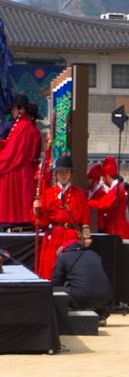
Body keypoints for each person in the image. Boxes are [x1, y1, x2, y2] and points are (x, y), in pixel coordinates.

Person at [33, 155, 88, 279]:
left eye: (67, 172)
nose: (64, 175)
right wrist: (37, 210)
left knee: (71, 268)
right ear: (56, 173)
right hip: (54, 236)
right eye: (61, 172)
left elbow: (85, 217)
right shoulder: (48, 193)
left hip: (72, 237)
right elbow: (42, 221)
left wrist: (86, 236)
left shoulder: (79, 194)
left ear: (71, 174)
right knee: (52, 267)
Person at [51, 236, 113, 325]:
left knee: (53, 290)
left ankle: (64, 317)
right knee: (102, 287)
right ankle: (102, 315)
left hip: (81, 299)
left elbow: (56, 281)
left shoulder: (63, 258)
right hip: (105, 299)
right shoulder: (94, 254)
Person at [0, 93, 40, 230]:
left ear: (21, 109)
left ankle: (19, 222)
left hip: (17, 169)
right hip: (19, 167)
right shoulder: (21, 125)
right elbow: (10, 145)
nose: (12, 111)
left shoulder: (23, 126)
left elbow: (12, 153)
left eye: (14, 108)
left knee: (18, 200)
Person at [90, 157, 129, 239]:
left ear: (107, 177)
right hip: (115, 224)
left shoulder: (118, 189)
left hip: (117, 226)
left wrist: (87, 202)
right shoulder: (116, 188)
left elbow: (103, 205)